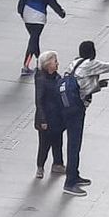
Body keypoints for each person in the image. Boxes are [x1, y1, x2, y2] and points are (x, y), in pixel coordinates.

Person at [63, 41, 109, 197]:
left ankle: (74, 174)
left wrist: (98, 85)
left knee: (74, 144)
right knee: (74, 144)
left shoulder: (74, 63)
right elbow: (108, 66)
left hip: (69, 106)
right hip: (77, 108)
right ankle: (70, 182)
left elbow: (81, 83)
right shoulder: (89, 64)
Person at [17, 0, 65, 76]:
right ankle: (26, 66)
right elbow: (54, 5)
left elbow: (20, 5)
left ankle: (39, 63)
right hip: (39, 19)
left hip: (27, 18)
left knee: (34, 40)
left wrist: (22, 15)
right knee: (33, 41)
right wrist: (62, 13)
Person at [33, 50, 65, 179]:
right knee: (44, 143)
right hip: (46, 117)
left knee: (58, 141)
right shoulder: (41, 79)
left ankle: (58, 163)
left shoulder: (57, 77)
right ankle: (40, 167)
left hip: (57, 117)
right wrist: (42, 119)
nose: (57, 64)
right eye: (55, 62)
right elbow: (39, 101)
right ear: (47, 64)